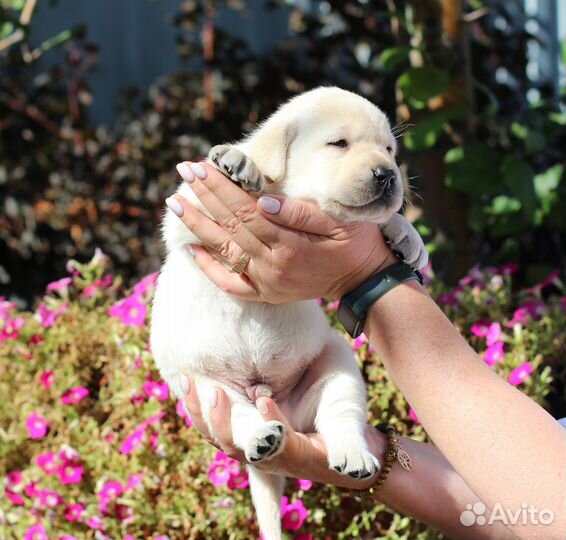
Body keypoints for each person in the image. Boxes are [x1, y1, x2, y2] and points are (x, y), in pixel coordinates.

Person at [165, 161, 566, 540]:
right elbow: (522, 511)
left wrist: (370, 278)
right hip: (222, 372)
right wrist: (367, 451)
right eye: (339, 143)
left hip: (295, 368)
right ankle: (254, 425)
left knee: (334, 366)